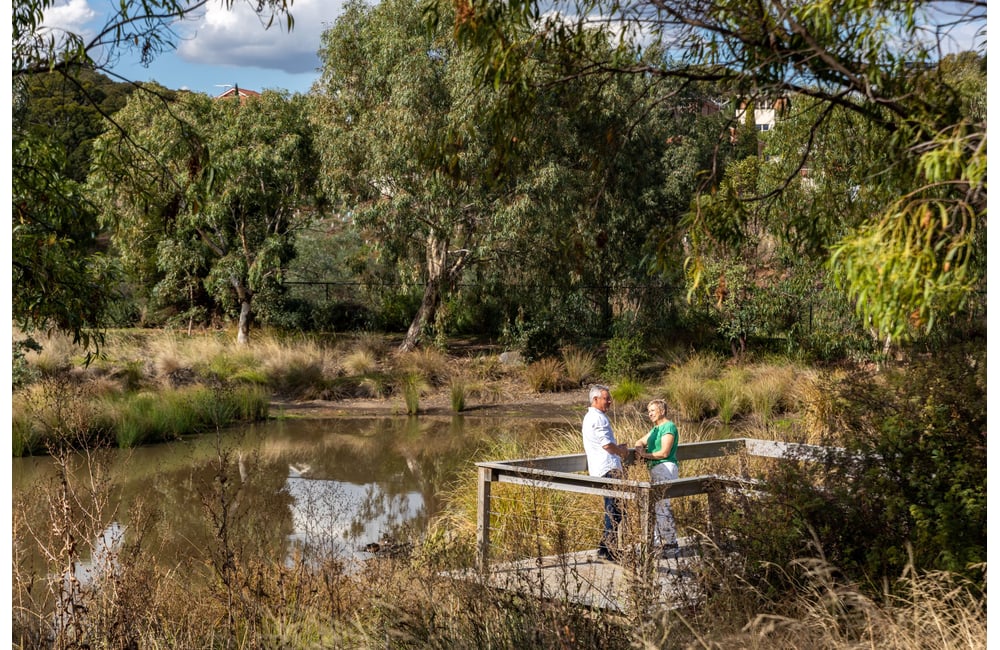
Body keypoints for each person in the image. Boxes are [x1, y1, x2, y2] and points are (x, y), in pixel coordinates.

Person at [581, 384, 630, 561]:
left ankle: (604, 548)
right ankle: (609, 550)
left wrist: (618, 447)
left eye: (609, 398)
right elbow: (607, 445)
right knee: (616, 510)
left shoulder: (589, 417)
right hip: (609, 468)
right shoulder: (599, 418)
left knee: (614, 508)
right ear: (595, 399)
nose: (609, 401)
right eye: (606, 398)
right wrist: (622, 452)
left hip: (600, 468)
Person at [633, 399, 680, 556]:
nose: (650, 413)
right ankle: (659, 542)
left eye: (653, 410)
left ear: (662, 411)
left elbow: (664, 453)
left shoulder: (668, 427)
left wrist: (644, 455)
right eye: (649, 411)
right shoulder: (655, 429)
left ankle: (670, 543)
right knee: (658, 505)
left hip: (665, 468)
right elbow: (639, 441)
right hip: (656, 469)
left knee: (662, 505)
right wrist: (639, 448)